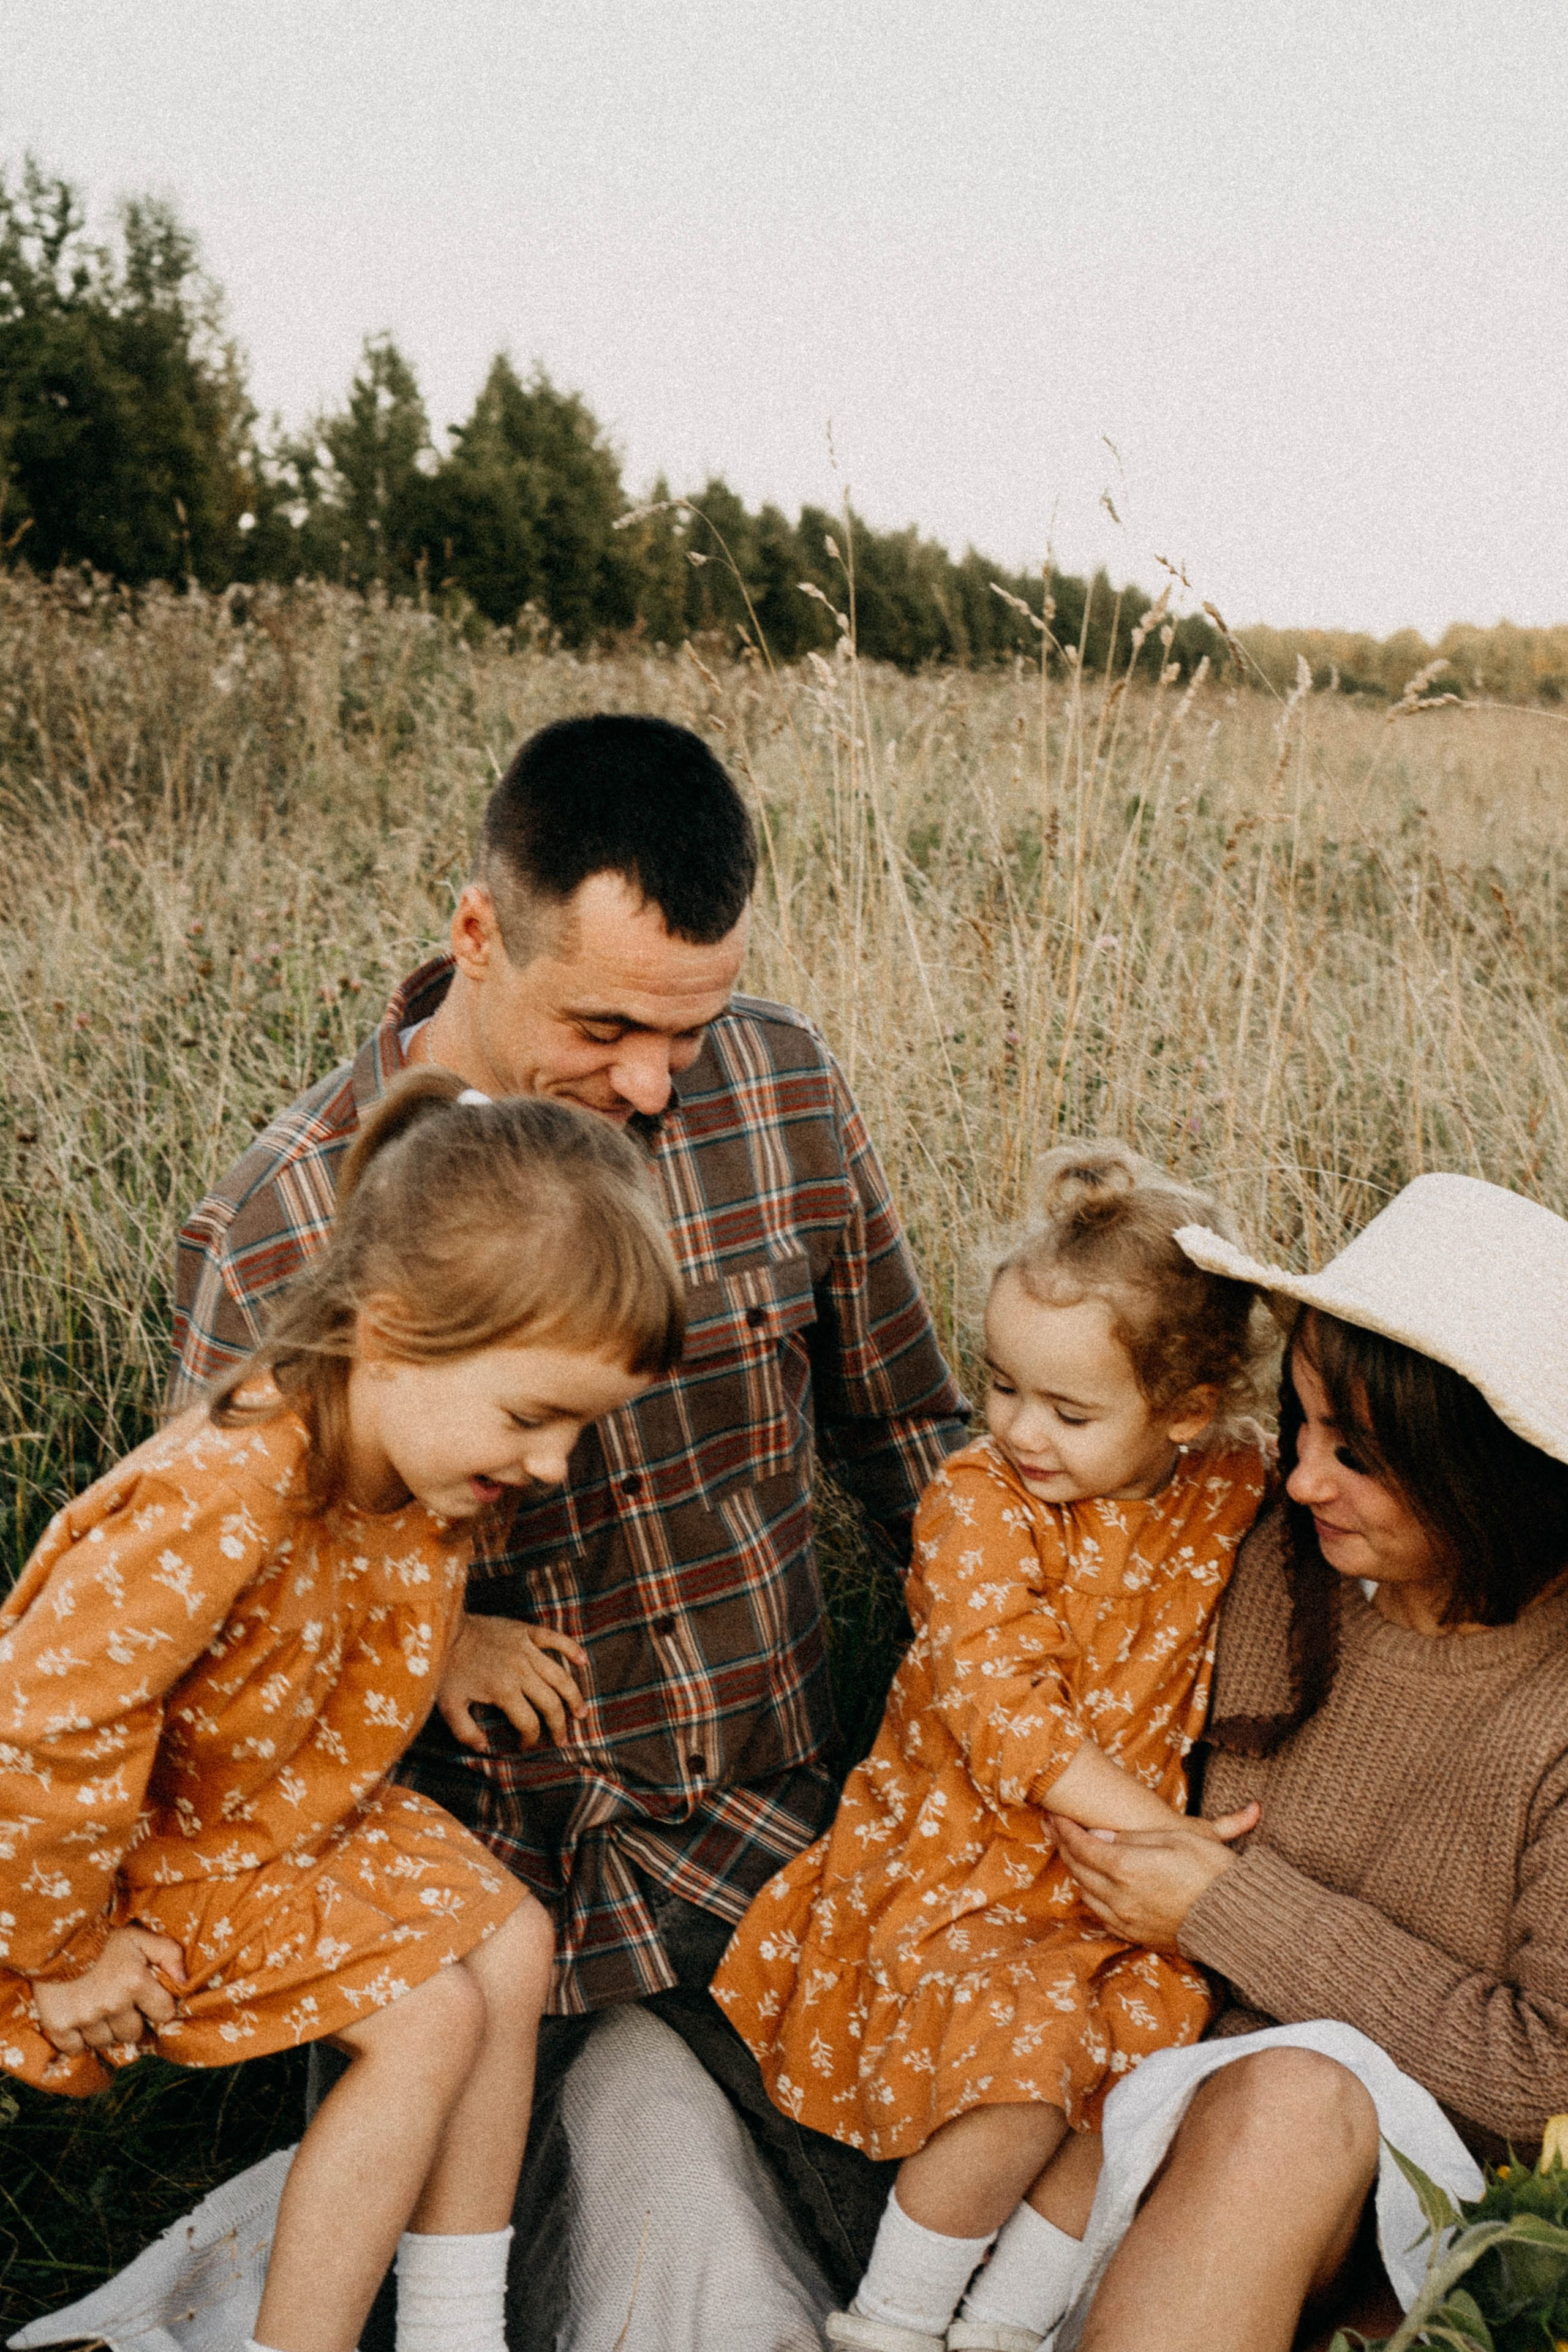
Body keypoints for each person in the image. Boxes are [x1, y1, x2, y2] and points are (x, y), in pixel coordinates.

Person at [168, 714, 968, 2328]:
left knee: (968, 2219)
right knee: (627, 2260)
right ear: (478, 934)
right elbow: (211, 1622)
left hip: (789, 1849)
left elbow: (906, 1433)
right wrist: (426, 1626)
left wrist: (1027, 1668)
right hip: (507, 1901)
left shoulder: (786, 1090)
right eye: (604, 1023)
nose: (655, 1080)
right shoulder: (283, 1222)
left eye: (695, 1023)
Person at [1, 1069, 684, 2352]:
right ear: (387, 1327)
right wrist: (60, 1951)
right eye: (536, 1418)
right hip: (121, 1868)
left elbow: (296, 1634)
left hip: (279, 1821)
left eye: (580, 1431)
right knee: (427, 2017)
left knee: (511, 1942)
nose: (550, 1466)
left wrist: (443, 1653)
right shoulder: (222, 1492)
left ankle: (452, 2331)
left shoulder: (405, 1458)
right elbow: (41, 1727)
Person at [713, 1142, 1274, 2352]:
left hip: (1105, 1890)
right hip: (963, 1868)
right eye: (1000, 1386)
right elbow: (1002, 1709)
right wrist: (1165, 1834)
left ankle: (1008, 2330)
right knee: (1030, 2062)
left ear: (1183, 1412)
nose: (1020, 1428)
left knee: (1144, 2071)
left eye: (1069, 1411)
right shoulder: (977, 1503)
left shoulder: (1224, 1484)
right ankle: (892, 2321)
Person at [1042, 1172, 1568, 2352]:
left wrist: (1231, 1907)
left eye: (1361, 1455)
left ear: (1495, 1477)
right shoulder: (1271, 1559)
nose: (1302, 1479)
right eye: (1302, 1423)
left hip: (1409, 2207)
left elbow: (1552, 2080)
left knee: (1293, 2098)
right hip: (1131, 2096)